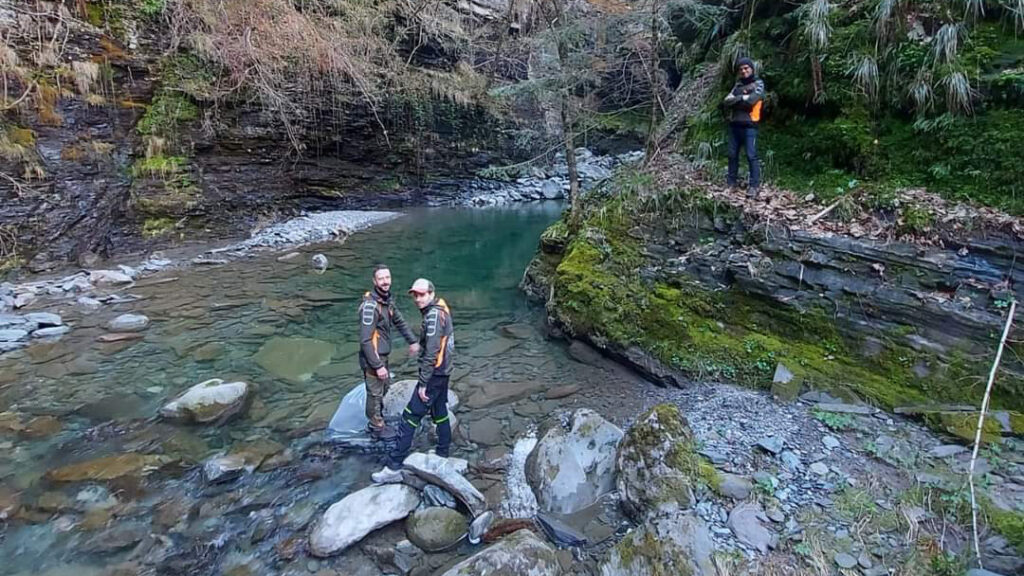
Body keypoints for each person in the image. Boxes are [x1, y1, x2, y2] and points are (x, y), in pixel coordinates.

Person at [372, 278, 455, 483]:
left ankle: (393, 466)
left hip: (434, 375)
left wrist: (424, 383)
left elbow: (433, 352)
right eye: (415, 295)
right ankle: (443, 452)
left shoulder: (434, 317)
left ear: (431, 294)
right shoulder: (439, 310)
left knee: (409, 417)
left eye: (422, 294)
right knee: (440, 412)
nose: (417, 299)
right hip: (443, 372)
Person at [359, 264, 419, 437]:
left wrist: (412, 341)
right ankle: (375, 424)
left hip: (382, 355)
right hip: (372, 358)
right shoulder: (370, 307)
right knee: (375, 392)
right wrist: (377, 365)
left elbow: (399, 322)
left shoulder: (386, 301)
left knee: (384, 388)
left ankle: (379, 416)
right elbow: (365, 340)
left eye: (387, 278)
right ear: (374, 281)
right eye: (381, 278)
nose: (385, 282)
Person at [723, 56, 765, 199]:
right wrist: (742, 98)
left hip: (749, 126)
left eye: (746, 68)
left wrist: (739, 100)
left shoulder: (758, 83)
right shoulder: (738, 85)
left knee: (751, 155)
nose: (744, 71)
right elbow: (726, 101)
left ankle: (754, 186)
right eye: (741, 69)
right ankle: (731, 183)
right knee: (732, 155)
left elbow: (754, 100)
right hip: (735, 125)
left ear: (751, 69)